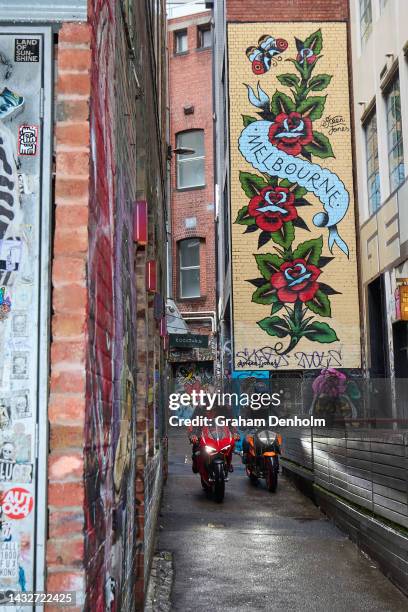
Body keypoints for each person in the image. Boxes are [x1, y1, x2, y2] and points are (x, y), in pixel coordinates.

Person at [188, 394, 240, 473]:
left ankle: (228, 463)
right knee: (196, 449)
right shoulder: (200, 408)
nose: (210, 411)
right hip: (202, 432)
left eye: (214, 408)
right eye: (208, 409)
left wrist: (235, 433)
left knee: (230, 445)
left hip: (221, 433)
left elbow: (232, 422)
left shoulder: (225, 408)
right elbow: (192, 423)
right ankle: (196, 463)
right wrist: (192, 435)